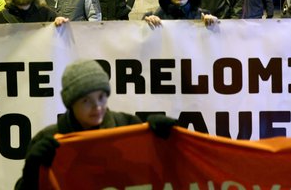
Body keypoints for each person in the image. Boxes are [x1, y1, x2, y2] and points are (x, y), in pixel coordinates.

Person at [14, 60, 177, 190]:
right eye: (86, 100)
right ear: (70, 103)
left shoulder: (128, 127)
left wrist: (167, 142)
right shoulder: (48, 140)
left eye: (101, 97)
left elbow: (163, 176)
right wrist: (31, 174)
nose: (97, 107)